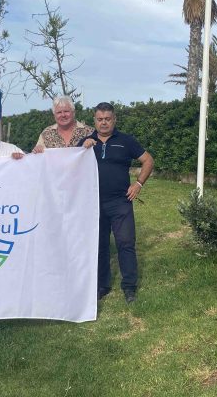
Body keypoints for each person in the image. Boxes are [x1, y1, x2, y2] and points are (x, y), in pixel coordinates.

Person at [79, 102, 154, 303]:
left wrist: (138, 183)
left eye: (108, 119)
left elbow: (148, 160)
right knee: (100, 245)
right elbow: (69, 166)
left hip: (120, 202)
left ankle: (129, 287)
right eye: (100, 119)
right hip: (94, 203)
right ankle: (102, 286)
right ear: (94, 121)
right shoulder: (85, 143)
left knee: (126, 243)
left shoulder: (126, 141)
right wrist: (82, 149)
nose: (104, 123)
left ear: (114, 120)